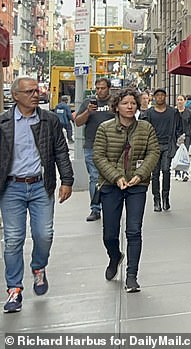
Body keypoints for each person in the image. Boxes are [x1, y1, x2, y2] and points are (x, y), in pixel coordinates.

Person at [0, 76, 73, 313]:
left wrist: (67, 180)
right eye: (29, 91)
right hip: (12, 188)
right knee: (13, 240)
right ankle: (14, 290)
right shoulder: (3, 123)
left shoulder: (49, 120)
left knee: (44, 234)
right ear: (16, 96)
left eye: (36, 91)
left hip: (42, 186)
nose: (35, 95)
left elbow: (61, 150)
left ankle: (39, 267)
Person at [92, 88, 160, 294]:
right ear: (117, 106)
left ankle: (132, 276)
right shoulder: (105, 128)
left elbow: (153, 152)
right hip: (111, 185)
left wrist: (140, 174)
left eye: (133, 103)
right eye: (125, 103)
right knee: (110, 233)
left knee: (133, 230)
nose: (129, 107)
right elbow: (99, 156)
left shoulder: (146, 128)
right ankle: (115, 256)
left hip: (137, 186)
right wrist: (116, 177)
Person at [74, 78, 115, 222]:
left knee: (112, 177)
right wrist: (88, 112)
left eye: (103, 88)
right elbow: (78, 122)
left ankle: (111, 206)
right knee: (94, 177)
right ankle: (95, 208)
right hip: (92, 146)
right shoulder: (88, 103)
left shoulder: (114, 103)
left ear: (109, 88)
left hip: (112, 146)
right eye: (97, 88)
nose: (99, 91)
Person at [140, 88, 182, 212]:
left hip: (167, 145)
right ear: (154, 97)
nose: (160, 97)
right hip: (154, 146)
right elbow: (143, 128)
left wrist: (179, 139)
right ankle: (156, 200)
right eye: (157, 95)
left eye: (162, 95)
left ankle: (165, 198)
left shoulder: (173, 112)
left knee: (166, 170)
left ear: (166, 97)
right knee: (155, 173)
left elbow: (179, 127)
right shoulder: (149, 113)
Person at [174, 94, 191, 181]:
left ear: (185, 101)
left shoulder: (188, 112)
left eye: (181, 100)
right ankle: (177, 172)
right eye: (178, 100)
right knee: (177, 155)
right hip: (176, 136)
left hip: (186, 136)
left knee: (185, 155)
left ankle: (185, 173)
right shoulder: (174, 112)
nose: (179, 101)